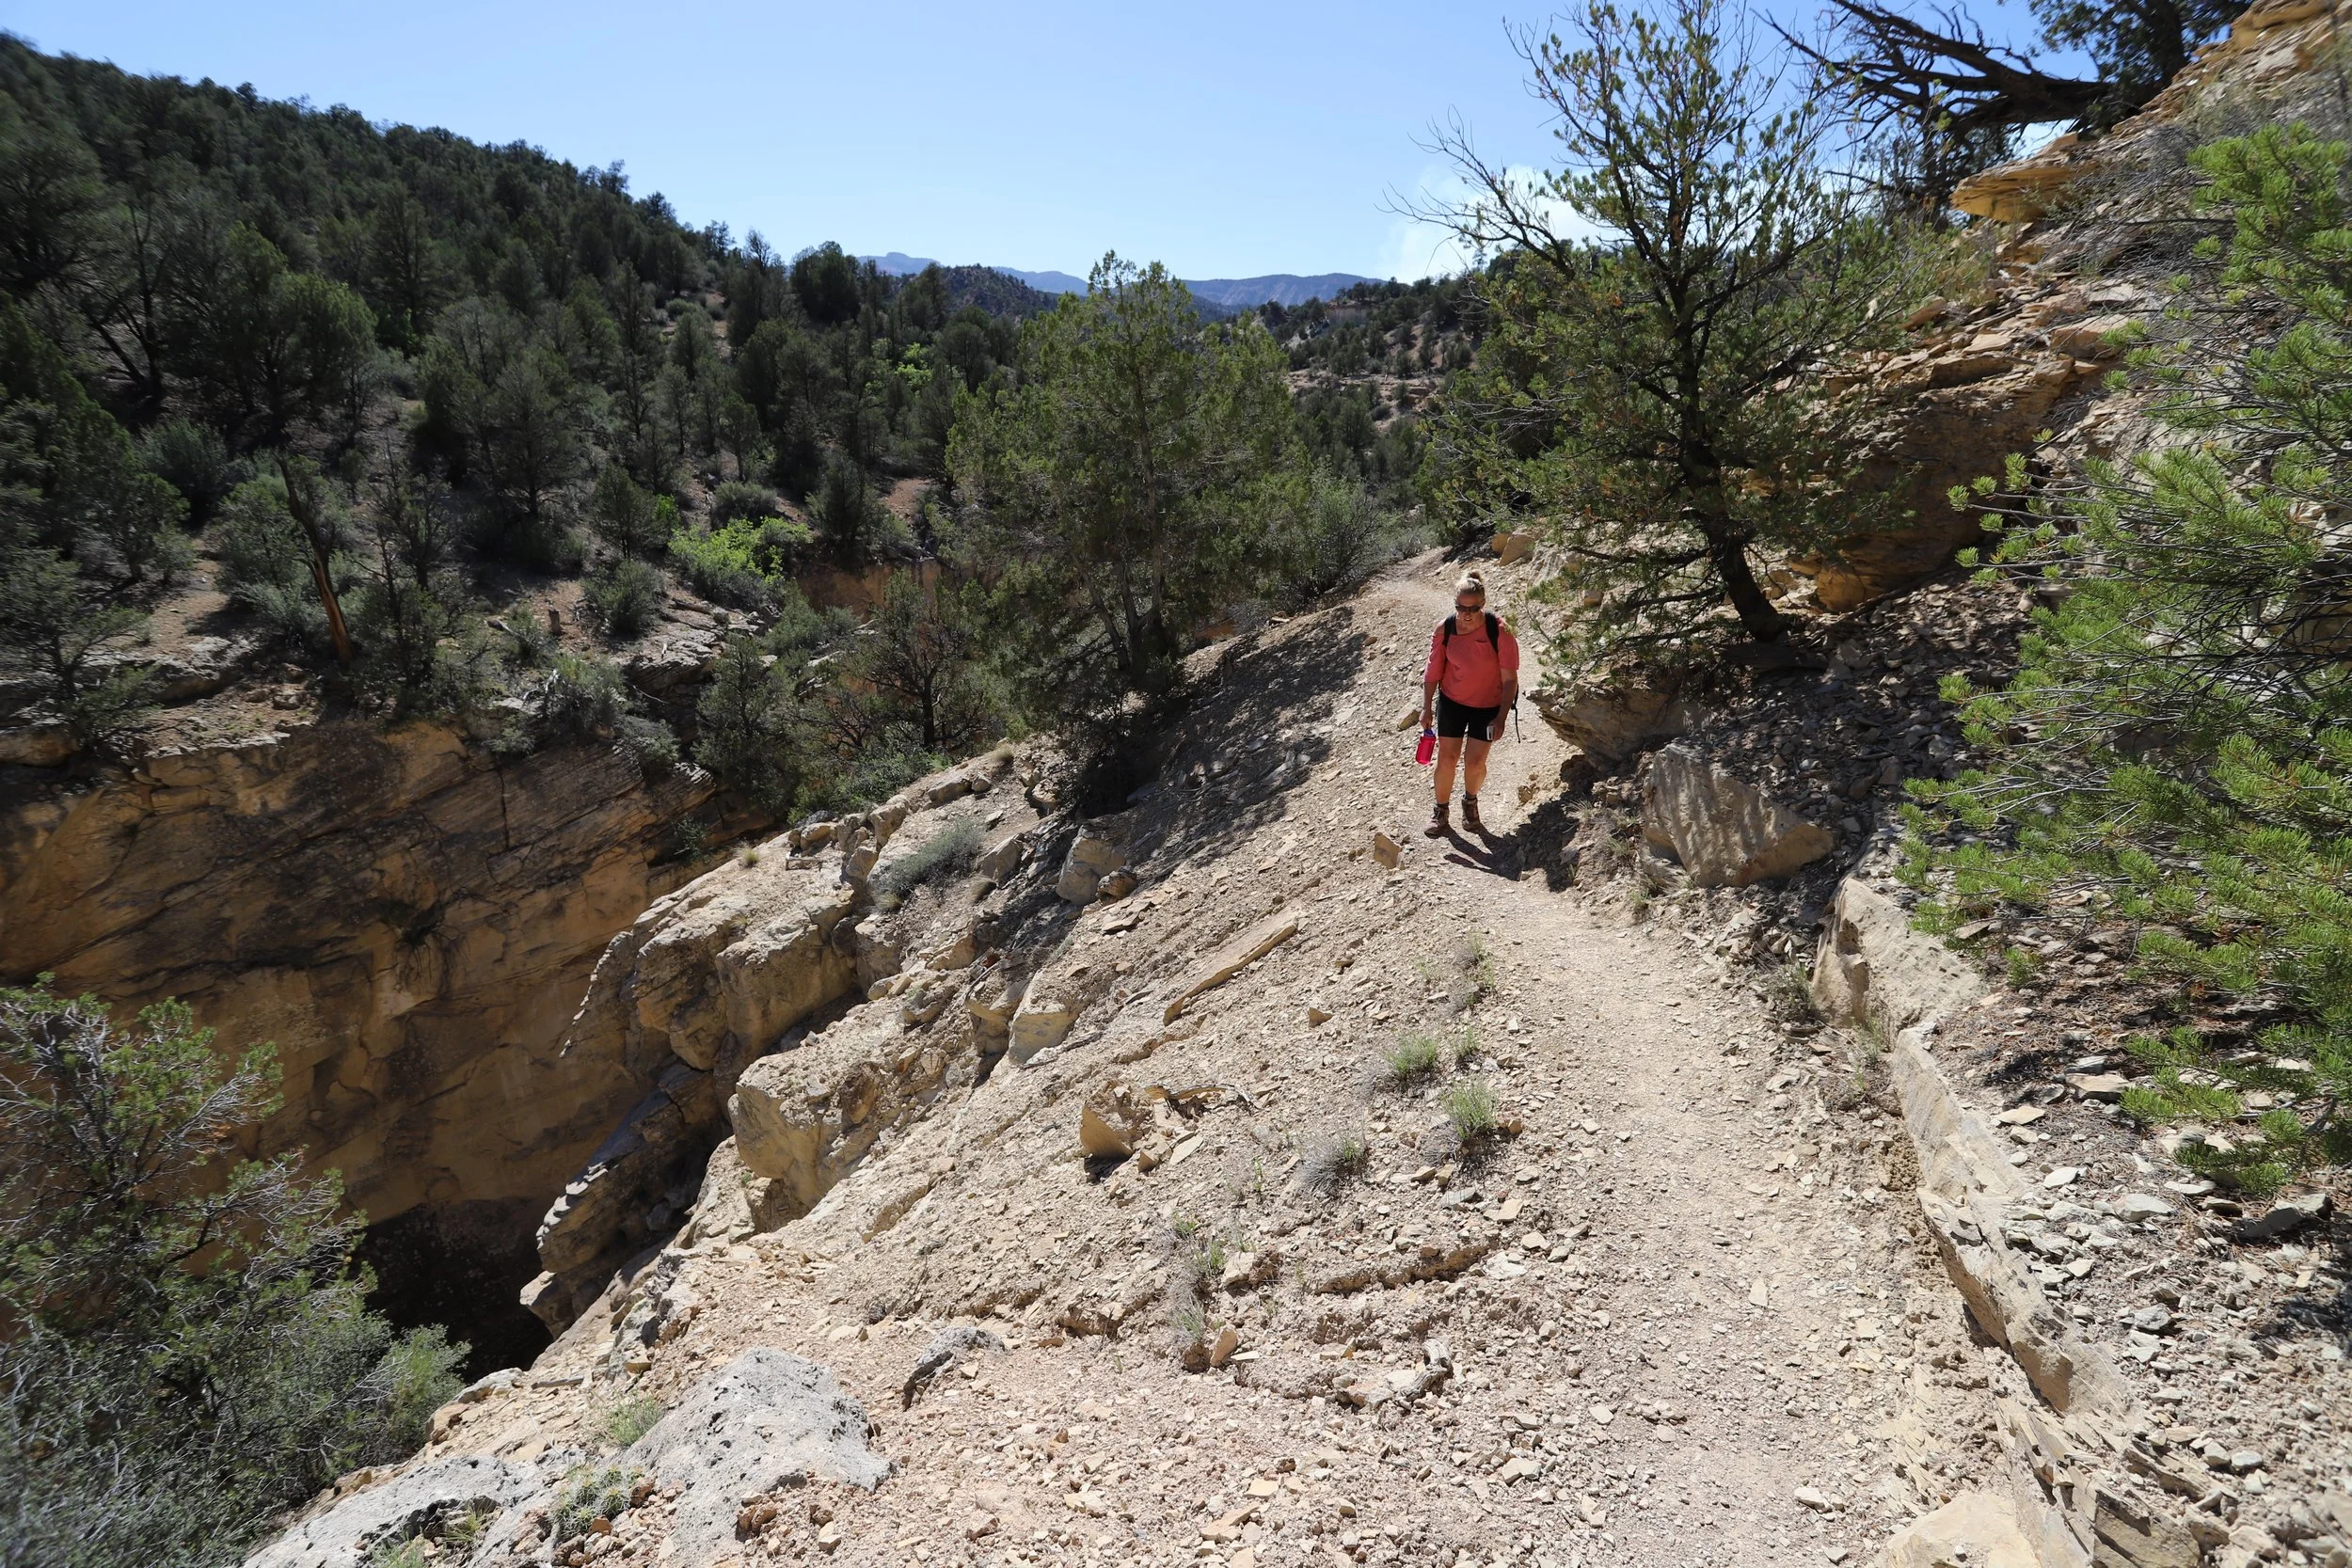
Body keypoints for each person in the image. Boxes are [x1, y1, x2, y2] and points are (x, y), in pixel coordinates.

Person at [1420, 571, 1519, 837]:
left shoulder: (1500, 631)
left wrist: (1501, 717)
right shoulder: (1446, 628)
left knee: (1475, 762)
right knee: (1447, 758)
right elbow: (1433, 672)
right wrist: (1426, 707)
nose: (1466, 614)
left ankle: (1470, 803)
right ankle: (1440, 812)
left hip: (1487, 705)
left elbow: (1510, 679)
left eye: (1473, 608)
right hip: (1452, 701)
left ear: (1483, 604)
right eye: (1460, 608)